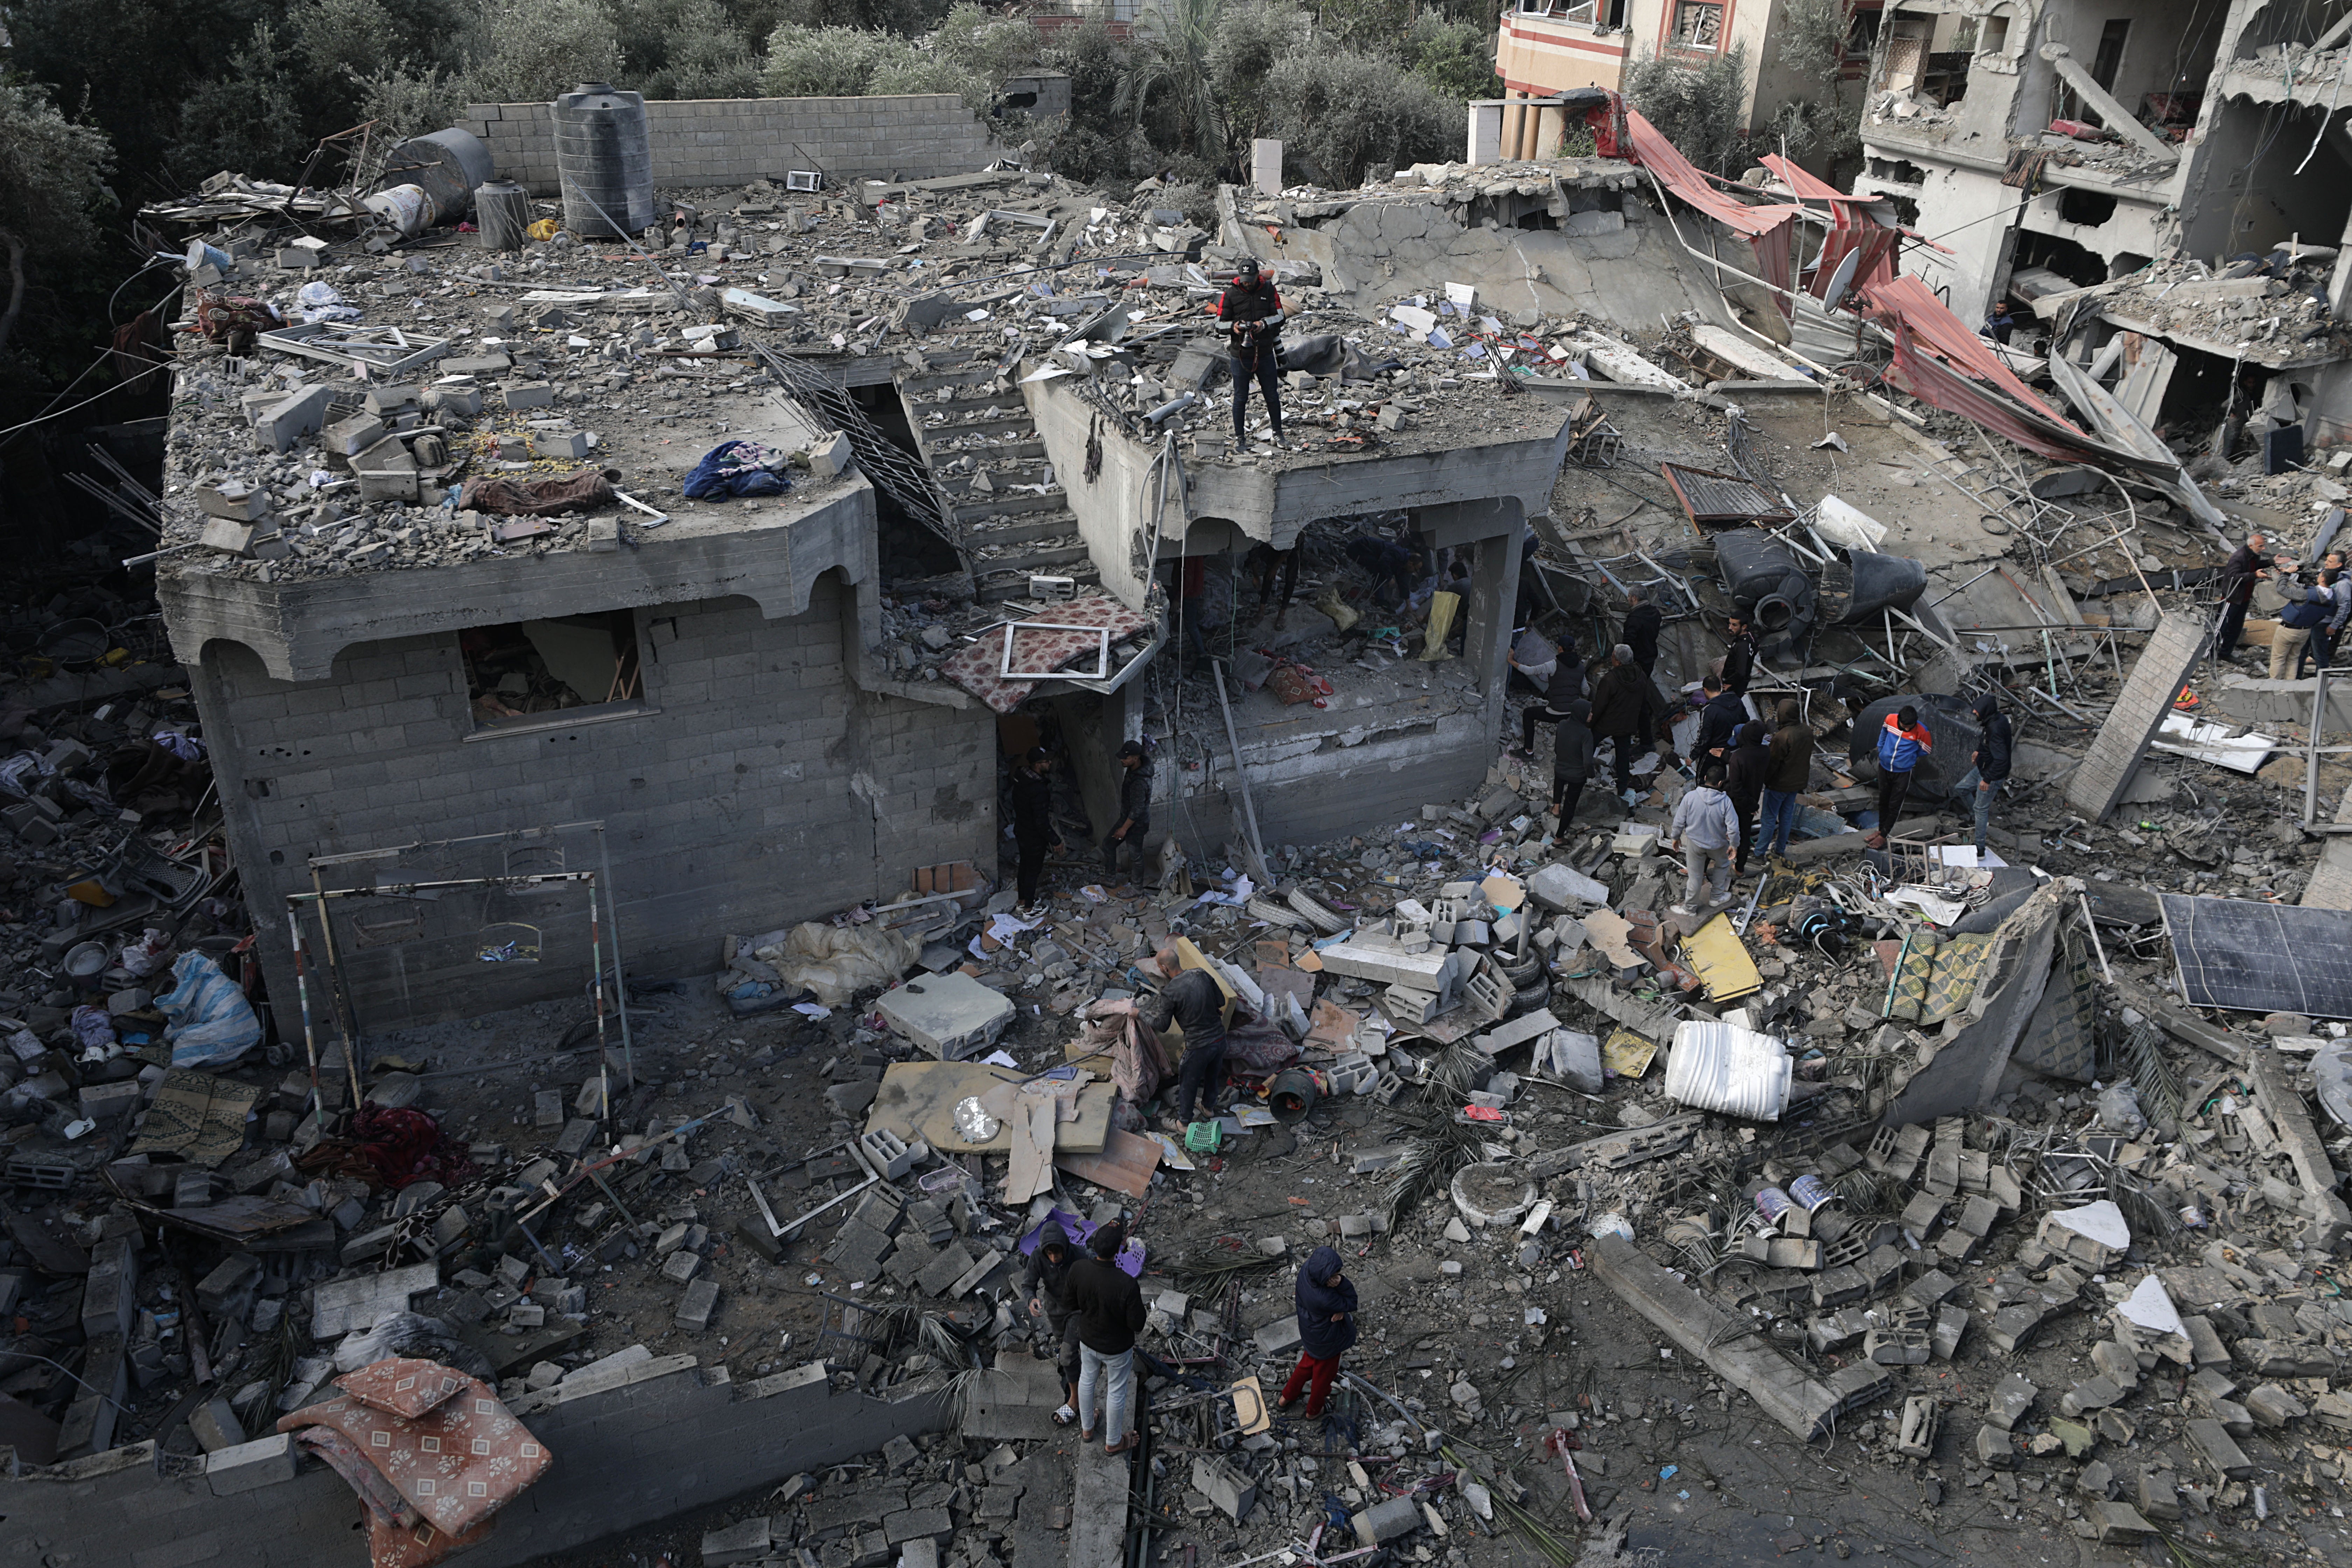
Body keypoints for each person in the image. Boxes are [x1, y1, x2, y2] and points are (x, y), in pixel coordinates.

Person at [1107, 946, 1230, 1127]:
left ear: (1164, 968)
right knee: (1212, 1076)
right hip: (1220, 1040)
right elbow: (1220, 1001)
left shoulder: (1170, 993)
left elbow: (1162, 1026)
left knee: (1188, 1083)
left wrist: (1139, 1014)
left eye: (1159, 967)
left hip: (1198, 1046)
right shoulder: (1201, 974)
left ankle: (1184, 1124)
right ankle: (1208, 1108)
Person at [1063, 1224, 1147, 1455]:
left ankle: (1088, 1429)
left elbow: (1069, 1305)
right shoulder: (1127, 1283)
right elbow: (1137, 1324)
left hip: (1088, 1340)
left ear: (1095, 1246)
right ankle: (1113, 1442)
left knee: (1087, 1380)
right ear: (1119, 1250)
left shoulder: (1078, 1270)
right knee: (1116, 1391)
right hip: (1117, 1349)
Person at [1276, 1246, 1358, 1419]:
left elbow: (1340, 1304)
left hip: (1311, 1334)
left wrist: (1339, 1308)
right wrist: (1342, 1283)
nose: (1337, 1276)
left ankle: (1286, 1398)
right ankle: (1313, 1412)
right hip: (1327, 1341)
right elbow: (1352, 1302)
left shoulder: (1306, 1272)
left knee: (1307, 1365)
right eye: (1334, 1275)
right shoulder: (1326, 1298)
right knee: (1323, 1377)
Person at [1022, 1218, 1084, 1426]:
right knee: (1065, 1347)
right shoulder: (1038, 1258)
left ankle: (1075, 1400)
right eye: (1050, 1253)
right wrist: (1032, 1300)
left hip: (1077, 1310)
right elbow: (1027, 1285)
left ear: (1066, 1248)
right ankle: (1079, 1373)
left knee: (1066, 1356)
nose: (1055, 1257)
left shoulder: (1078, 1255)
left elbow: (1096, 1273)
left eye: (1058, 1253)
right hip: (1055, 1310)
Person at [1219, 258, 1287, 449]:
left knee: (1272, 395)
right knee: (1240, 397)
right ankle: (1240, 438)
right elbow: (1218, 323)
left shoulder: (1268, 290)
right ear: (1239, 277)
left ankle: (1278, 434)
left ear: (1258, 275)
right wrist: (1234, 327)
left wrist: (1263, 324)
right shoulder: (1230, 294)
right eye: (1244, 279)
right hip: (1239, 354)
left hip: (1265, 352)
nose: (1247, 282)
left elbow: (1281, 316)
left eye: (1250, 278)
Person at [1587, 643, 1660, 803]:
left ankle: (1585, 771)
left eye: (1613, 656)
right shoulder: (1640, 675)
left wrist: (1591, 722)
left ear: (1618, 662)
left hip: (1607, 722)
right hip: (1627, 723)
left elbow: (1600, 705)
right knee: (1623, 755)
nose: (1611, 658)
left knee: (1590, 742)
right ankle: (1622, 787)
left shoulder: (1610, 680)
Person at [1668, 763, 1741, 917]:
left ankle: (1690, 909)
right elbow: (1733, 829)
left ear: (1706, 778)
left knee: (1695, 876)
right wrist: (1734, 846)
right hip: (1718, 844)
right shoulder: (1726, 802)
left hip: (1695, 844)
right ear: (1721, 783)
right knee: (1722, 867)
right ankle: (1716, 898)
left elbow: (1679, 821)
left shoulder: (1690, 797)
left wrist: (1675, 838)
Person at [1955, 690, 2012, 859]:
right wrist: (1979, 752)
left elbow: (2002, 760)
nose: (1974, 712)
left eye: (1977, 710)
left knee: (1981, 808)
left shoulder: (1996, 727)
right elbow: (1986, 742)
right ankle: (1977, 819)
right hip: (1983, 767)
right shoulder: (1992, 721)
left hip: (1991, 774)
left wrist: (1988, 779)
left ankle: (1979, 849)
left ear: (1985, 711)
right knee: (1961, 788)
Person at [1867, 705, 1932, 849]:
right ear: (1899, 721)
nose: (1907, 730)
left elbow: (1926, 750)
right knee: (1883, 800)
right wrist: (1881, 748)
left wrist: (1909, 757)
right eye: (1904, 727)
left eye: (1910, 727)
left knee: (1895, 804)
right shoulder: (1890, 719)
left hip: (1902, 772)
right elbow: (1884, 731)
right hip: (1884, 767)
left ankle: (1884, 836)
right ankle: (1880, 829)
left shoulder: (1923, 731)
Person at [1009, 748, 1064, 918]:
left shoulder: (1021, 778)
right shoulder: (1039, 790)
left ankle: (1022, 902)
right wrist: (1056, 841)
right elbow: (1041, 822)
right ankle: (1029, 910)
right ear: (1037, 765)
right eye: (1046, 762)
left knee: (1024, 866)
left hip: (1021, 830)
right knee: (1033, 870)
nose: (1050, 763)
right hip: (1033, 836)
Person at [1758, 698, 1811, 860]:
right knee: (1786, 816)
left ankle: (1759, 853)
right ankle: (1780, 849)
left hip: (1778, 785)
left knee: (1769, 819)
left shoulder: (1782, 737)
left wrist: (1765, 780)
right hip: (1796, 784)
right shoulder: (1807, 731)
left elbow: (1772, 764)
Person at [1514, 642, 1586, 758]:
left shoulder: (1554, 664)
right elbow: (1586, 691)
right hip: (1572, 714)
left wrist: (1512, 661)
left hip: (1555, 712)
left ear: (1560, 648)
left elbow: (1529, 671)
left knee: (1528, 714)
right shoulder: (1581, 668)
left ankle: (1528, 752)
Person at [2271, 560, 2332, 680]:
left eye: (2320, 575)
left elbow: (2282, 589)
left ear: (2323, 579)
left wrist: (2286, 575)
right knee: (2294, 658)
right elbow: (2309, 588)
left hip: (2288, 629)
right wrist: (2289, 574)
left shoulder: (2307, 594)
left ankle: (2274, 685)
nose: (2318, 576)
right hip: (2305, 631)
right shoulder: (2331, 596)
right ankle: (2291, 686)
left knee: (2278, 659)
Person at [1726, 720, 1769, 877]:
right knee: (1744, 835)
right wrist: (1753, 805)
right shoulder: (1765, 752)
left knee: (1725, 832)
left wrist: (1751, 806)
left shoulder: (1738, 757)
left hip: (1737, 803)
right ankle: (1740, 869)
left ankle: (1714, 866)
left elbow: (1736, 788)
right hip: (1752, 800)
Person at [2215, 532, 2268, 660]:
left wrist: (2271, 562)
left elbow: (2254, 567)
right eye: (2261, 546)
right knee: (2221, 627)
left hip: (2243, 599)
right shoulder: (2238, 557)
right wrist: (2255, 575)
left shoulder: (2254, 556)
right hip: (2231, 599)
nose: (2264, 549)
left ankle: (2225, 654)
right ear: (2251, 546)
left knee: (2236, 628)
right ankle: (2208, 653)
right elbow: (2234, 576)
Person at [1104, 740, 1150, 874]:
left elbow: (1138, 809)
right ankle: (1110, 879)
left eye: (1126, 758)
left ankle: (1137, 889)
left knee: (1136, 857)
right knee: (1108, 845)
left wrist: (1124, 829)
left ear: (1136, 759)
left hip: (1137, 823)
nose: (1122, 760)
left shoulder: (1140, 782)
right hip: (1127, 818)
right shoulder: (1133, 769)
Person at [1551, 697, 1596, 825]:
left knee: (1559, 780)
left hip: (1560, 770)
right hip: (1577, 776)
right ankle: (1559, 838)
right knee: (1571, 804)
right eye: (1589, 713)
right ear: (1582, 714)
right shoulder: (1586, 734)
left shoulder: (1562, 724)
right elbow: (1588, 762)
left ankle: (1556, 807)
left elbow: (1557, 749)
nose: (1592, 715)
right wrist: (1591, 775)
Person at [1346, 533, 1417, 608]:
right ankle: (1379, 599)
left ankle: (1378, 597)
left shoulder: (1403, 564)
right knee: (1380, 570)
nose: (1414, 571)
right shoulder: (1399, 554)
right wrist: (1390, 578)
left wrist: (1409, 605)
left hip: (1367, 552)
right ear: (1411, 564)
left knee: (1382, 571)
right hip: (1359, 548)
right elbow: (1383, 561)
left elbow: (1403, 583)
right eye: (1415, 569)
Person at [1245, 542, 1300, 624]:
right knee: (1269, 574)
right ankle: (1261, 611)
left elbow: (1289, 549)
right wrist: (1256, 577)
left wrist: (1275, 568)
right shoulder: (1255, 542)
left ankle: (1282, 614)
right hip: (1274, 543)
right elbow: (1253, 556)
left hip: (1295, 541)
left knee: (1291, 577)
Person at [1695, 674, 1746, 762]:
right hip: (1739, 747)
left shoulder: (1708, 710)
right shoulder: (1737, 700)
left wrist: (1692, 756)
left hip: (1718, 753)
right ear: (1721, 687)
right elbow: (1746, 722)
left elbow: (1704, 738)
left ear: (1705, 690)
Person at [1621, 589, 1662, 674]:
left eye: (1629, 596)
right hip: (1650, 658)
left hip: (1638, 663)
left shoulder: (1633, 620)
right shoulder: (1656, 613)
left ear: (1634, 598)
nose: (1628, 599)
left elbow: (1628, 646)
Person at [1721, 614, 1757, 697]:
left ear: (1744, 627)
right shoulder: (1749, 637)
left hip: (1735, 686)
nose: (1730, 628)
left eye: (1734, 625)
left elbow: (1741, 673)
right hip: (1740, 681)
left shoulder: (1742, 647)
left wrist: (1731, 687)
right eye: (1729, 624)